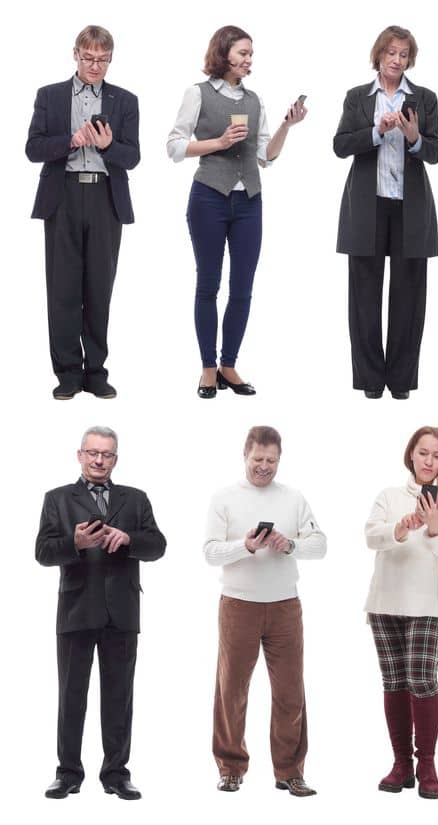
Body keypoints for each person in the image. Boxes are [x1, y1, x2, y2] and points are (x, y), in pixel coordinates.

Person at [167, 25, 307, 399]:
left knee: (243, 288)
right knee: (208, 284)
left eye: (251, 54)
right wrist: (218, 142)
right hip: (209, 197)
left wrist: (286, 126)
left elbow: (265, 156)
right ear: (224, 52)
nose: (249, 60)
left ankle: (229, 364)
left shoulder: (255, 100)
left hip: (249, 201)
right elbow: (174, 146)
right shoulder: (196, 94)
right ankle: (208, 368)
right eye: (243, 53)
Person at [36, 426, 167, 800]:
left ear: (115, 459)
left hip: (122, 612)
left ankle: (116, 773)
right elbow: (43, 552)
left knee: (119, 696)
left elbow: (157, 545)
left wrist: (129, 540)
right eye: (92, 453)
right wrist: (74, 543)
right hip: (76, 609)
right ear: (79, 455)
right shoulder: (58, 499)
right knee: (70, 695)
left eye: (106, 454)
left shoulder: (136, 499)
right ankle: (68, 773)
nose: (98, 460)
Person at [203, 425, 327, 797]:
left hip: (285, 605)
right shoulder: (224, 498)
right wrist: (245, 546)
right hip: (238, 604)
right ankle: (230, 767)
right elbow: (209, 551)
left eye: (271, 460)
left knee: (290, 691)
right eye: (258, 459)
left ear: (279, 460)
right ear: (245, 455)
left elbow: (320, 545)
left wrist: (289, 545)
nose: (264, 466)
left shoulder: (293, 498)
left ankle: (290, 770)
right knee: (232, 690)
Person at [27, 25, 140, 401]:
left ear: (111, 60)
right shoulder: (50, 96)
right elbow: (33, 148)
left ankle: (96, 372)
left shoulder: (125, 100)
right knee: (62, 289)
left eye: (103, 60)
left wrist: (109, 146)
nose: (95, 66)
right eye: (89, 58)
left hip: (106, 199)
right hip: (63, 196)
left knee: (98, 289)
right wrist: (69, 141)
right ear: (75, 54)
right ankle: (67, 373)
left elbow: (133, 157)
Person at [362, 426, 438, 799]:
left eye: (436, 455)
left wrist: (434, 524)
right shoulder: (389, 496)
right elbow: (371, 537)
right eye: (423, 453)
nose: (429, 461)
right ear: (411, 454)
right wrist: (400, 528)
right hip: (386, 602)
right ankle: (401, 765)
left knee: (422, 678)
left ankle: (426, 763)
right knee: (394, 682)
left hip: (429, 605)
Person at [334, 26, 438, 400]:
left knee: (409, 298)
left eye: (404, 54)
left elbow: (436, 152)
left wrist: (414, 137)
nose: (397, 60)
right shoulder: (358, 98)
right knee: (364, 297)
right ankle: (370, 382)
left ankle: (400, 382)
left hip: (411, 209)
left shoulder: (425, 98)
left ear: (410, 59)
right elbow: (340, 145)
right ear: (378, 55)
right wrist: (376, 131)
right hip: (366, 208)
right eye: (391, 53)